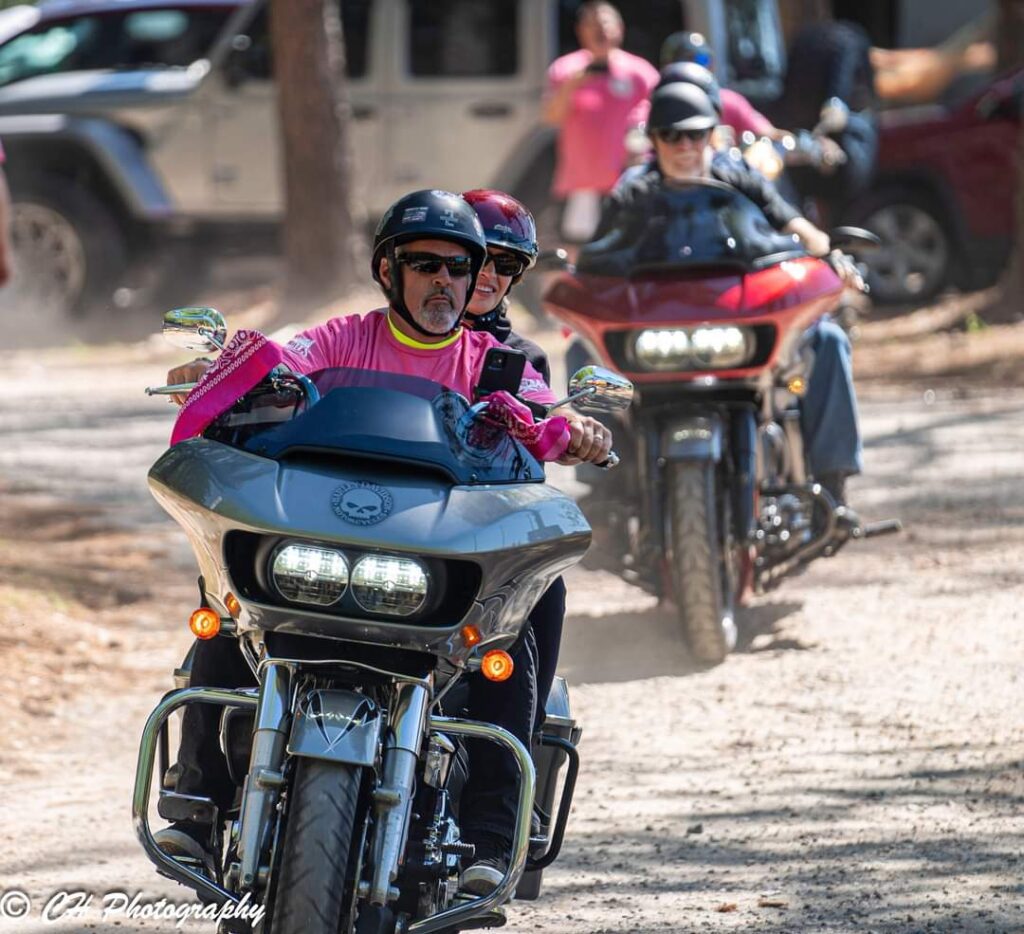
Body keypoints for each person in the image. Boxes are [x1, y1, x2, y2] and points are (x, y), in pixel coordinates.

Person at [157, 189, 613, 900]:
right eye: (426, 264)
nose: (446, 281)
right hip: (330, 540)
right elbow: (278, 356)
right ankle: (197, 793)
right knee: (228, 596)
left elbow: (541, 414)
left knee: (510, 633)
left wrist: (580, 430)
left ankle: (494, 839)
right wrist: (225, 371)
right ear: (388, 271)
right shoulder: (341, 338)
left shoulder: (497, 362)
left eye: (461, 267)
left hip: (428, 560)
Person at [581, 82, 862, 510]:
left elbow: (791, 225)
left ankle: (832, 484)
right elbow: (595, 257)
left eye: (695, 134)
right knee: (584, 354)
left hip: (738, 316)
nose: (684, 146)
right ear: (654, 140)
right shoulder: (633, 191)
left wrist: (833, 254)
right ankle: (604, 484)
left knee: (827, 341)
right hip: (658, 326)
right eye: (672, 135)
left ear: (712, 134)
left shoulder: (738, 177)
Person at [460, 188, 567, 728]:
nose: (488, 274)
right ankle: (205, 779)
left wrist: (576, 433)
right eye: (474, 257)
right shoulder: (380, 334)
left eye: (505, 265)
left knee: (542, 583)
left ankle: (506, 789)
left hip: (472, 523)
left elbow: (546, 434)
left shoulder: (522, 359)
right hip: (378, 509)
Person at [542, 1, 659, 244]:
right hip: (579, 184)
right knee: (575, 253)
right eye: (592, 24)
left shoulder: (640, 72)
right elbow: (551, 117)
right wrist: (572, 85)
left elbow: (660, 118)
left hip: (629, 182)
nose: (600, 30)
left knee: (628, 248)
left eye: (605, 23)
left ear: (619, 29)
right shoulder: (565, 69)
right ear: (580, 31)